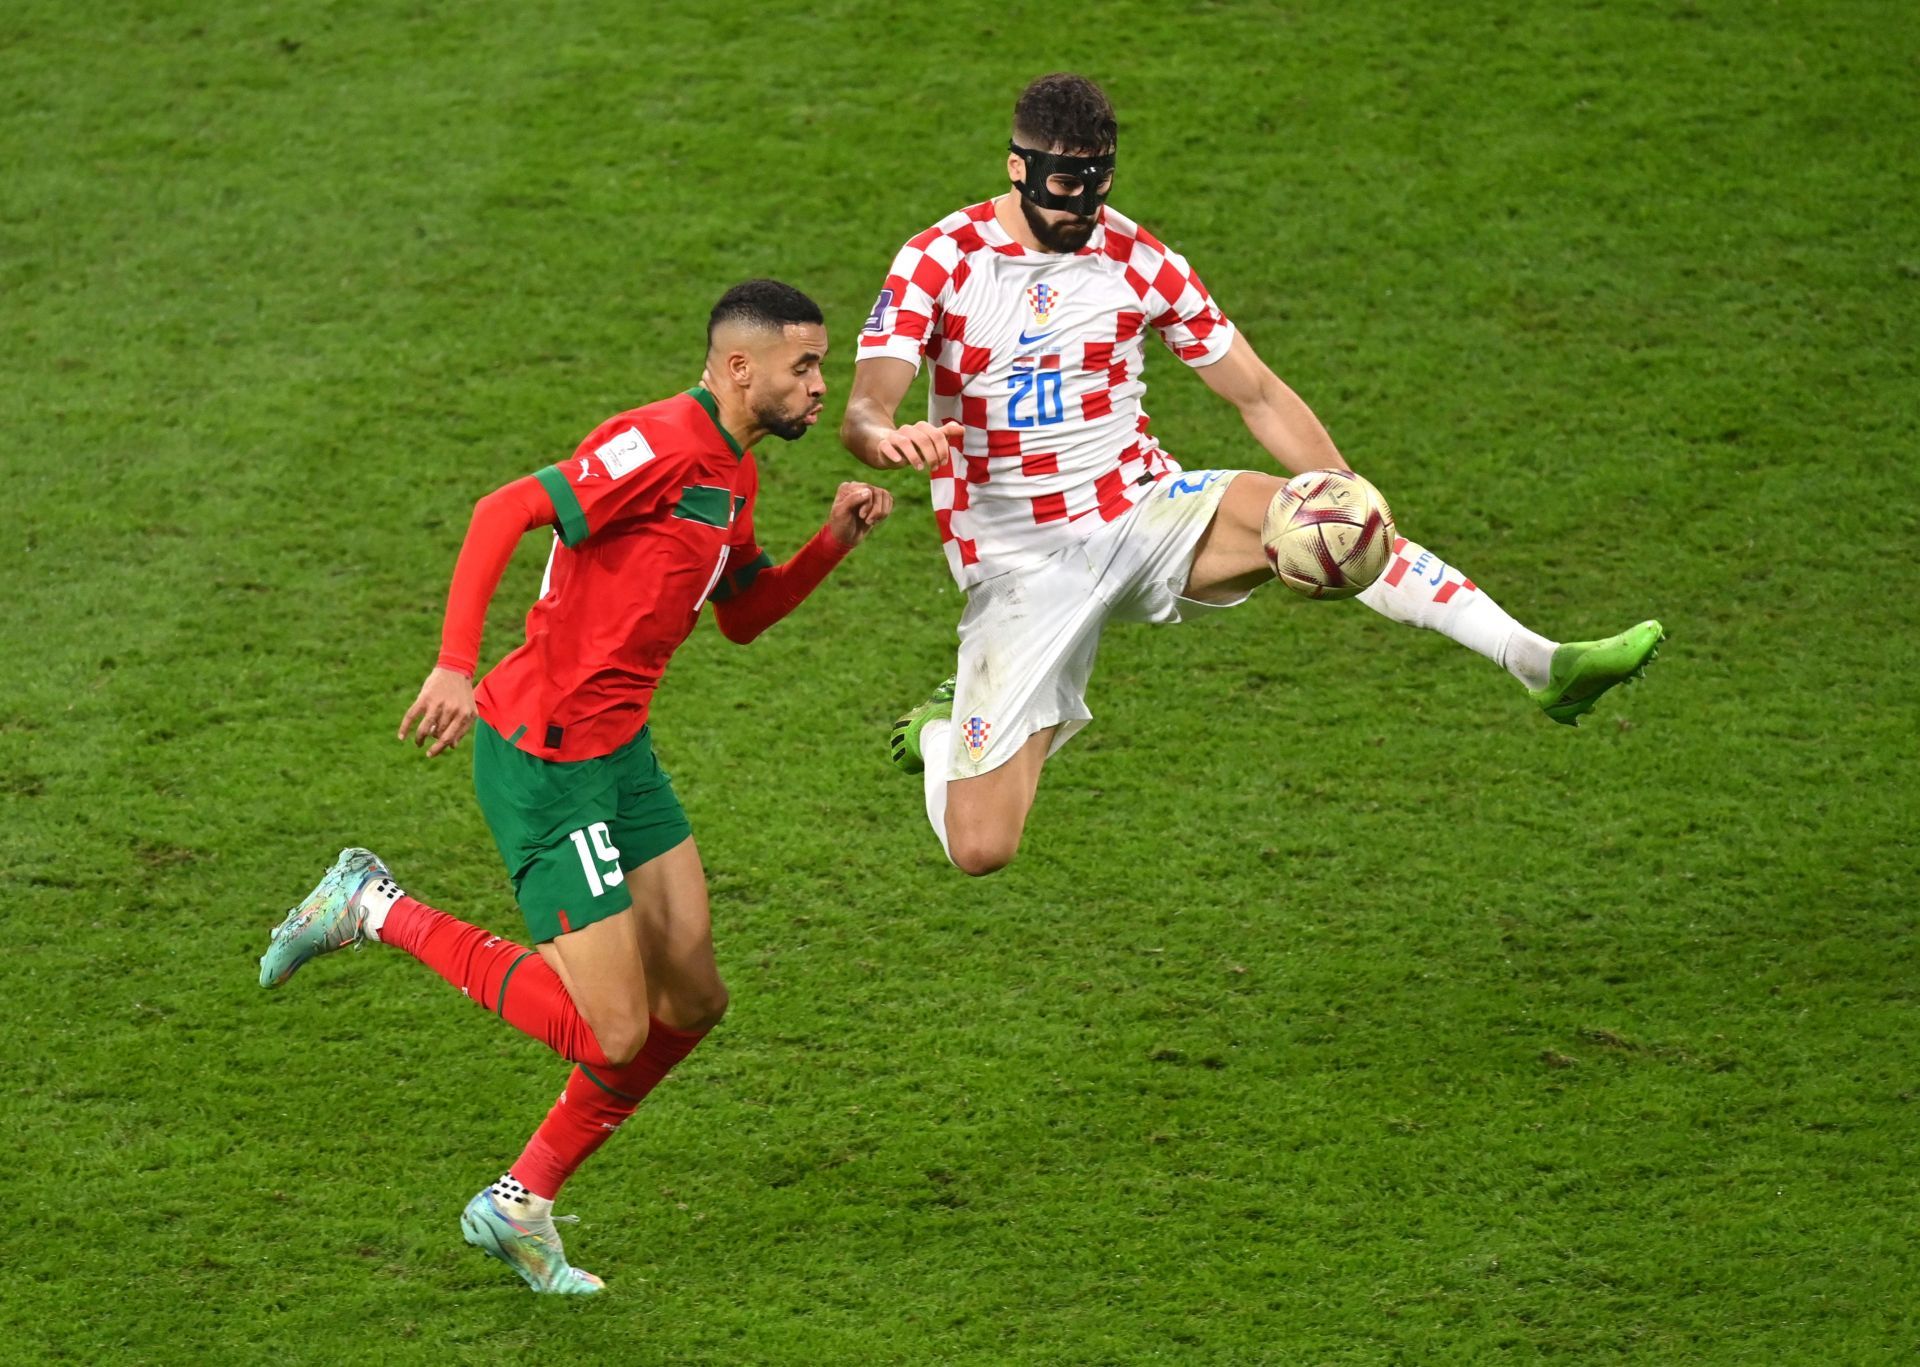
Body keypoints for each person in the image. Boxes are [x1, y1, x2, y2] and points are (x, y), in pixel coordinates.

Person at [841, 73, 1662, 877]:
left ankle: (1539, 662)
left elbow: (1257, 392)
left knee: (1329, 518)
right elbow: (866, 407)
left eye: (1097, 186)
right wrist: (889, 438)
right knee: (984, 848)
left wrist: (1347, 487)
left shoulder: (1140, 261)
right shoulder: (940, 261)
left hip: (1140, 511)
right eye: (1063, 184)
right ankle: (945, 732)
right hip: (1021, 566)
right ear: (1016, 167)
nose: (1080, 208)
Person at [258, 280, 893, 1294]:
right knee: (611, 1027)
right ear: (740, 369)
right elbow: (504, 508)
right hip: (545, 758)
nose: (824, 386)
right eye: (805, 366)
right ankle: (370, 903)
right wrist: (454, 663)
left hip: (620, 753)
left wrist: (830, 542)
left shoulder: (732, 471)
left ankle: (520, 1203)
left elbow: (739, 613)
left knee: (695, 996)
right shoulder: (655, 444)